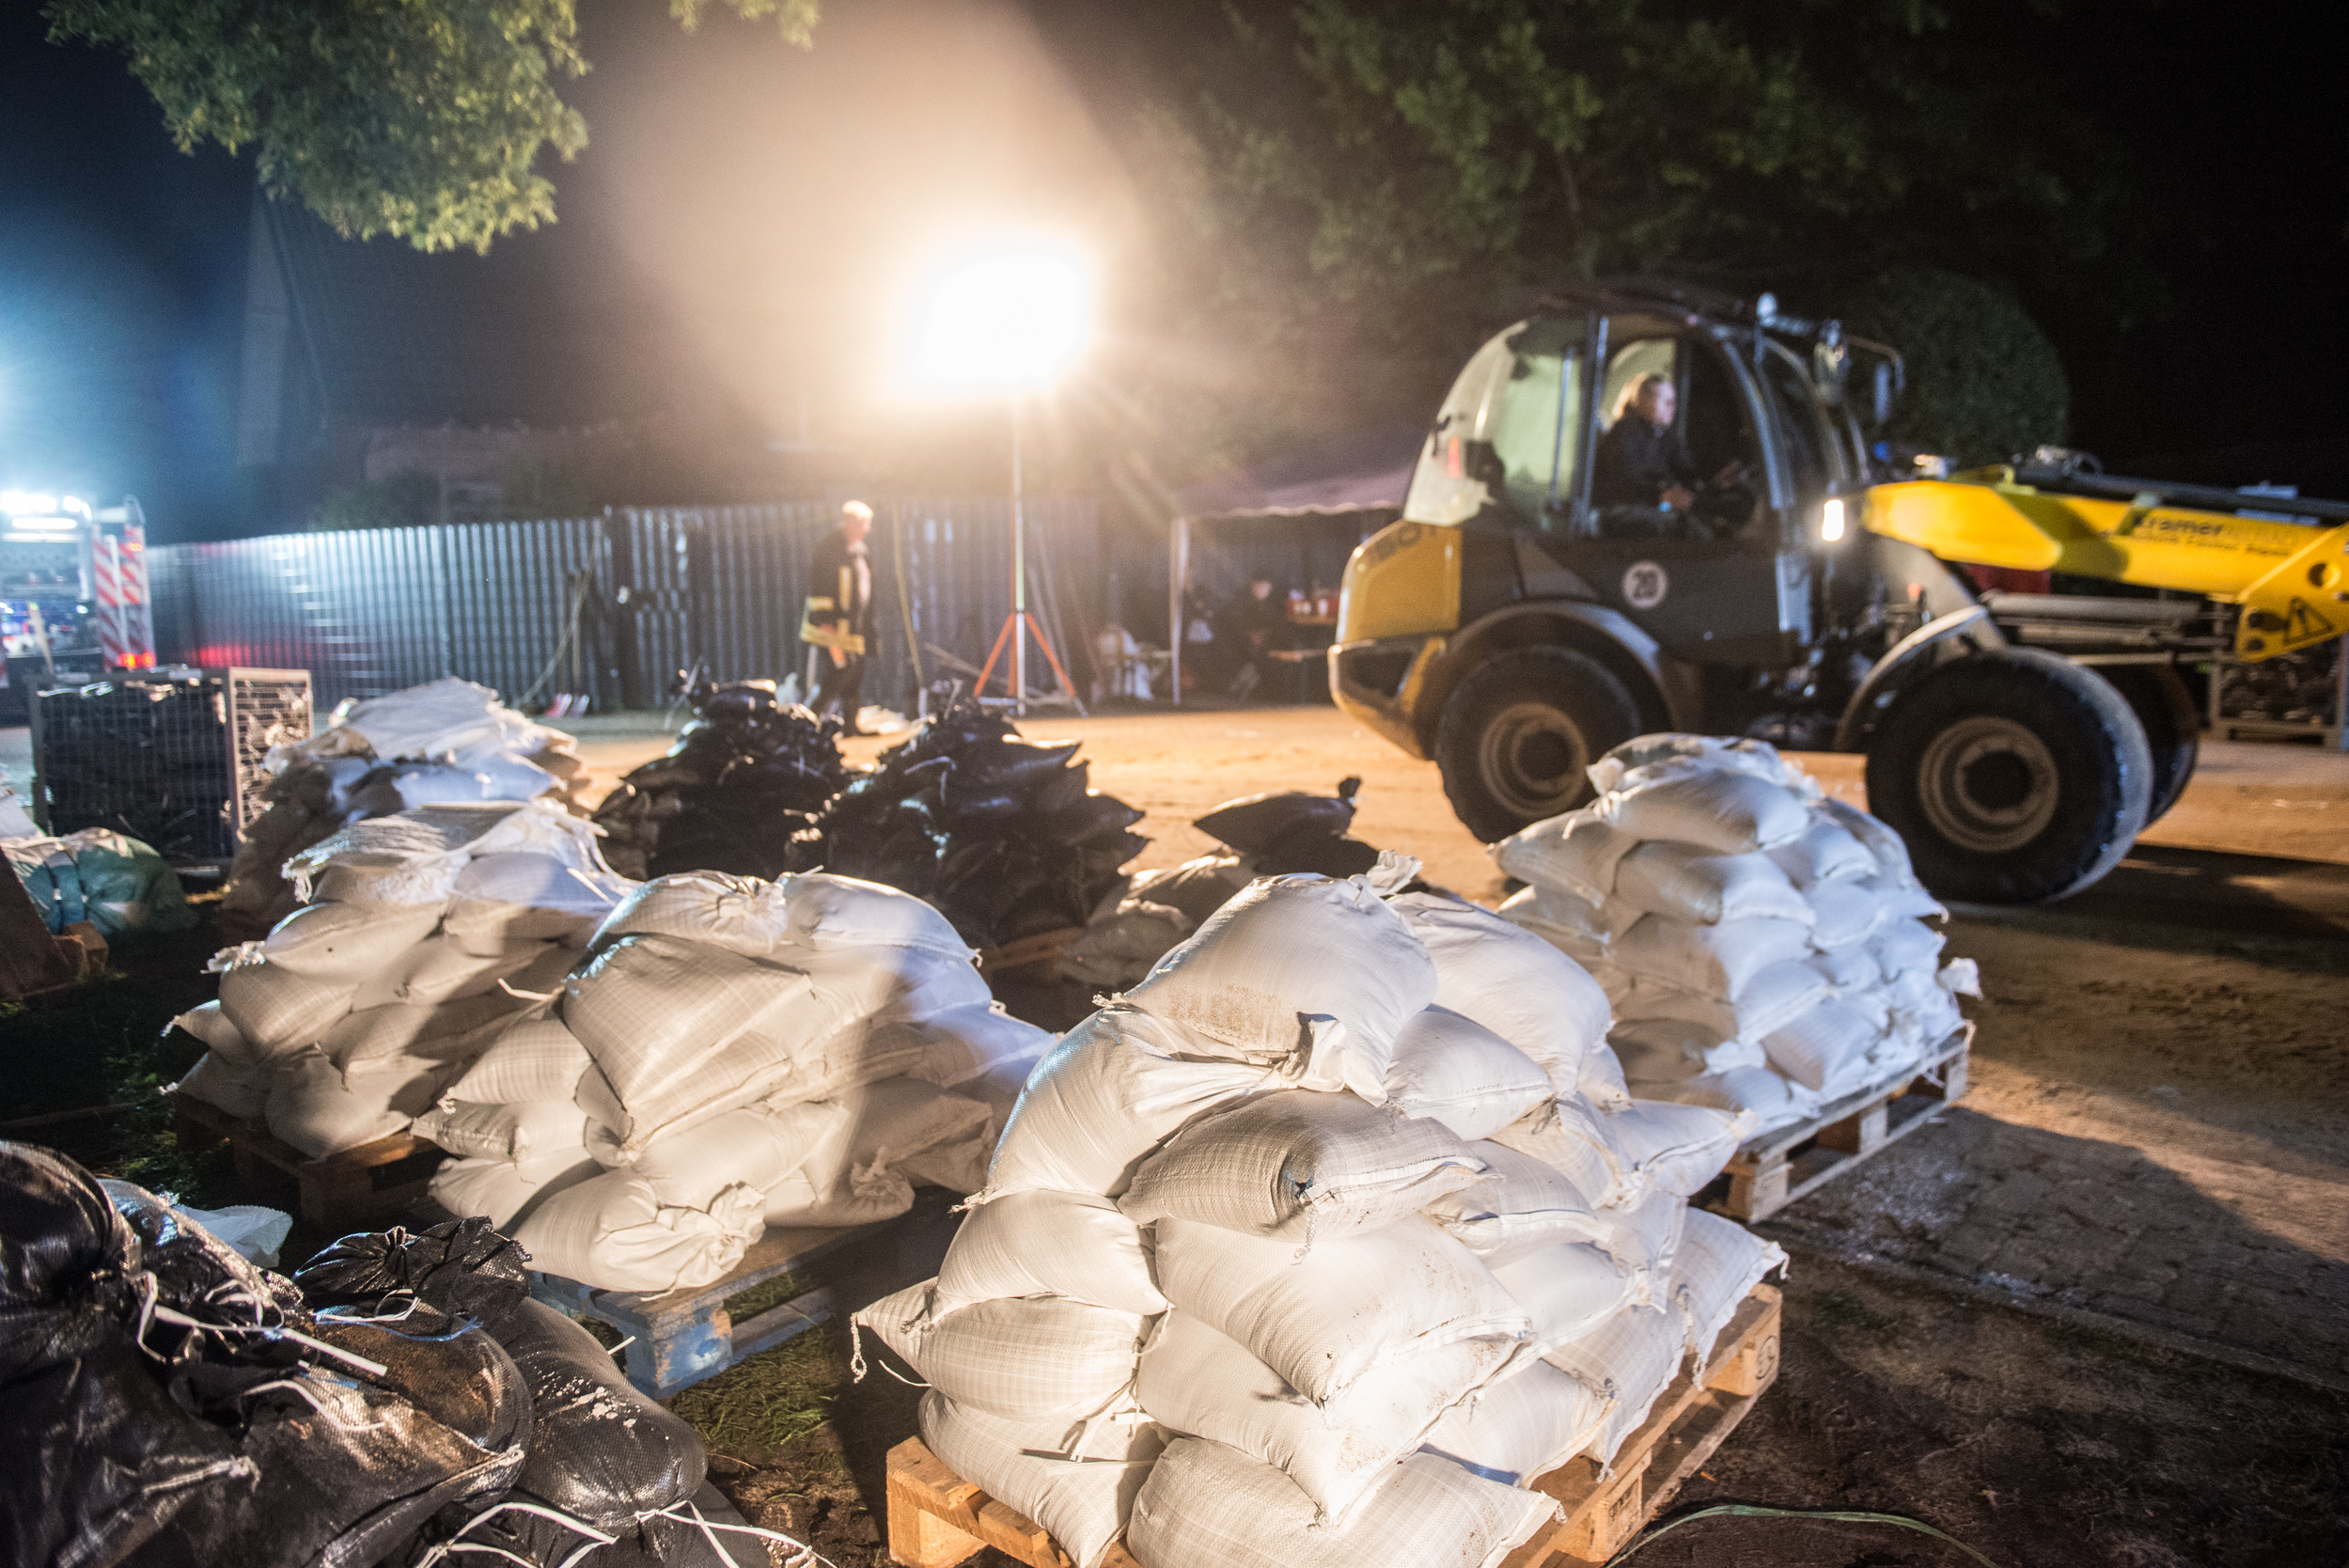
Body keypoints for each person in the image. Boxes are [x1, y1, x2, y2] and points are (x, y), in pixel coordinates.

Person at [803, 500, 875, 732]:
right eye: (865, 524)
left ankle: (851, 727)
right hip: (830, 630)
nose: (868, 529)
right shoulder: (831, 549)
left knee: (855, 673)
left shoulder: (859, 551)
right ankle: (809, 721)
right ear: (851, 523)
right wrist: (825, 621)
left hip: (852, 630)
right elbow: (820, 587)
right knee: (842, 669)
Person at [1592, 373, 1700, 510]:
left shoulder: (1666, 436)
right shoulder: (1625, 431)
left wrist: (1710, 482)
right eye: (1663, 399)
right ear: (1641, 399)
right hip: (1620, 512)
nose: (1671, 405)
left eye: (1673, 400)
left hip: (1649, 509)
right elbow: (1624, 482)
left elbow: (1685, 469)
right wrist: (1662, 497)